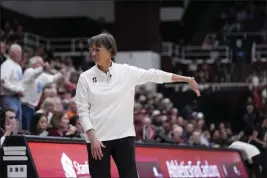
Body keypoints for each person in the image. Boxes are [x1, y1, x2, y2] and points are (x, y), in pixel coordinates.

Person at [75, 33, 200, 178]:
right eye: (91, 50)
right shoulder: (85, 78)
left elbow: (154, 75)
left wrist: (185, 79)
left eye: (97, 49)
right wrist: (92, 138)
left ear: (110, 51)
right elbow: (82, 111)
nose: (93, 53)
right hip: (97, 139)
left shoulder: (126, 71)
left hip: (124, 136)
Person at [21, 56, 63, 131]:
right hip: (25, 106)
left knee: (30, 129)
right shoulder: (29, 71)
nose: (43, 64)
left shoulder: (42, 75)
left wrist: (60, 73)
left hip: (32, 107)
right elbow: (33, 75)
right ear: (34, 64)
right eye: (40, 63)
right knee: (25, 130)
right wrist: (42, 69)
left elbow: (52, 79)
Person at [0, 44, 24, 129]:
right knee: (10, 124)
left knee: (17, 124)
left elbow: (19, 83)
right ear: (11, 53)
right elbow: (3, 81)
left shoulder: (18, 66)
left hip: (17, 98)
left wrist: (21, 90)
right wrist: (17, 90)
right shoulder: (6, 65)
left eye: (21, 52)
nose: (20, 54)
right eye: (18, 52)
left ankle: (17, 141)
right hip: (8, 97)